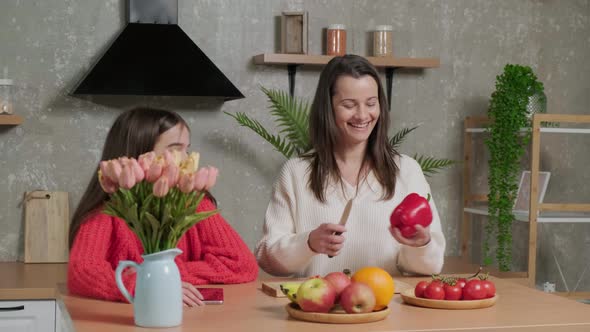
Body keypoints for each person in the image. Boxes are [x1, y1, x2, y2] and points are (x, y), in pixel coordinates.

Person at [255, 55, 445, 277]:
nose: (363, 115)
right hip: (317, 309)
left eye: (371, 103)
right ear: (328, 108)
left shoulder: (407, 171)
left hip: (386, 309)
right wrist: (307, 243)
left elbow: (431, 268)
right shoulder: (296, 172)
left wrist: (420, 246)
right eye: (349, 105)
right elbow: (268, 260)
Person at [68, 107, 258, 306]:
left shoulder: (195, 202)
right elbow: (82, 272)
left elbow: (241, 264)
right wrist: (138, 284)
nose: (186, 159)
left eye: (187, 149)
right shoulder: (107, 211)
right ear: (140, 153)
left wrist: (168, 278)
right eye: (175, 149)